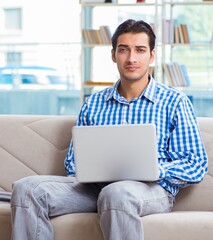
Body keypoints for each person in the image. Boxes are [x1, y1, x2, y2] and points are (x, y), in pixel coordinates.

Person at [10, 19, 208, 240]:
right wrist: (92, 171)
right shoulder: (94, 103)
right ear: (113, 55)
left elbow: (195, 164)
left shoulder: (175, 102)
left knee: (117, 193)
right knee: (27, 189)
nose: (131, 58)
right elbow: (72, 162)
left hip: (150, 190)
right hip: (93, 189)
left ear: (151, 56)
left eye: (140, 50)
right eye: (124, 50)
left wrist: (154, 170)